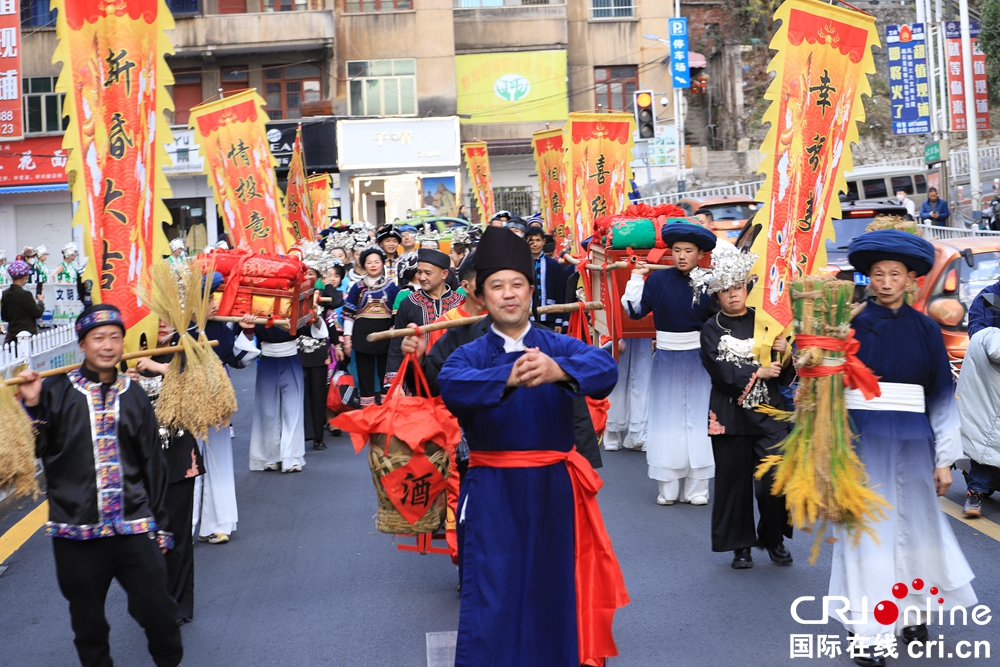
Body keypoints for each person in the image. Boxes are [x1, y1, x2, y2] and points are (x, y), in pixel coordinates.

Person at [437, 226, 626, 667]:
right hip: (492, 492)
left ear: (531, 291)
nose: (508, 295)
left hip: (554, 491)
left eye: (517, 285)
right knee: (493, 593)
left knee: (555, 589)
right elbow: (452, 386)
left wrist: (558, 370)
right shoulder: (470, 354)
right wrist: (507, 376)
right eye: (497, 286)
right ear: (482, 296)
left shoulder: (556, 346)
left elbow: (604, 368)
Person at [16, 304, 184, 667]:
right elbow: (36, 451)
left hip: (134, 528)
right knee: (89, 628)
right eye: (98, 338)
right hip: (76, 533)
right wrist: (33, 407)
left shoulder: (134, 395)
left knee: (160, 614)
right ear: (82, 345)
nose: (107, 346)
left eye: (114, 337)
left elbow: (152, 464)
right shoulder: (56, 393)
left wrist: (162, 527)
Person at [835, 230, 975, 664]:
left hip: (916, 440)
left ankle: (915, 611)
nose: (886, 281)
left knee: (917, 529)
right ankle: (869, 632)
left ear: (911, 280)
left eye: (895, 274)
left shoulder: (929, 330)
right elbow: (828, 391)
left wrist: (945, 461)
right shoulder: (848, 325)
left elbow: (941, 397)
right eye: (878, 274)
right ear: (869, 278)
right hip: (861, 439)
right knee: (865, 533)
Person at [698, 244, 794, 569]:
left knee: (774, 482)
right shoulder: (711, 329)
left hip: (770, 414)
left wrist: (785, 351)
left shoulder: (766, 321)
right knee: (734, 484)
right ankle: (741, 546)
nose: (733, 295)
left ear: (746, 288)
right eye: (725, 290)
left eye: (737, 287)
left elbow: (786, 375)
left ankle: (774, 537)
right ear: (717, 295)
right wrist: (757, 371)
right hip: (729, 416)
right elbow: (720, 371)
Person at [622, 221, 717, 505]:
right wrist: (637, 278)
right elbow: (635, 311)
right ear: (671, 253)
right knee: (666, 419)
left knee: (699, 420)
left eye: (688, 251)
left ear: (700, 254)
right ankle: (668, 486)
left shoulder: (710, 281)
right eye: (676, 250)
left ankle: (697, 488)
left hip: (701, 358)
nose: (681, 256)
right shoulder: (659, 280)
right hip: (665, 356)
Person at [384, 248, 464, 386]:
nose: (421, 277)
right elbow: (397, 345)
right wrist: (394, 382)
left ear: (444, 274)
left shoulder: (461, 303)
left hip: (457, 376)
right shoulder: (408, 303)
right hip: (417, 378)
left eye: (427, 273)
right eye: (419, 272)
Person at [956, 295, 1000, 517]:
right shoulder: (987, 299)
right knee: (987, 434)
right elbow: (978, 333)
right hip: (988, 378)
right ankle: (976, 491)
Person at [343, 246, 399, 406]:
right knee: (364, 374)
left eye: (377, 262)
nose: (373, 265)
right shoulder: (357, 287)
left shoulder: (391, 287)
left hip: (386, 338)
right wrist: (347, 338)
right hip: (362, 337)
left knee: (385, 374)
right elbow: (349, 314)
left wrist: (394, 329)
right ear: (363, 265)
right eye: (369, 262)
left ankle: (385, 407)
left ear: (382, 264)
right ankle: (367, 409)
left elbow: (398, 312)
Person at [603, 337, 653, 452]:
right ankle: (612, 433)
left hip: (642, 330)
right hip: (615, 326)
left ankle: (638, 434)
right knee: (616, 378)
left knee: (642, 377)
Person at [524, 226, 566, 331]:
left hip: (550, 316)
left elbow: (560, 293)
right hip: (526, 318)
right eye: (531, 241)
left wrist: (559, 321)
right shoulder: (522, 265)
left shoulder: (553, 265)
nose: (535, 244)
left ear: (543, 241)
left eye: (538, 240)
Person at [2, 259, 45, 344]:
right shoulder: (25, 294)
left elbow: (4, 316)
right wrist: (40, 301)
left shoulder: (6, 293)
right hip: (27, 334)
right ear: (24, 276)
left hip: (12, 334)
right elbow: (37, 312)